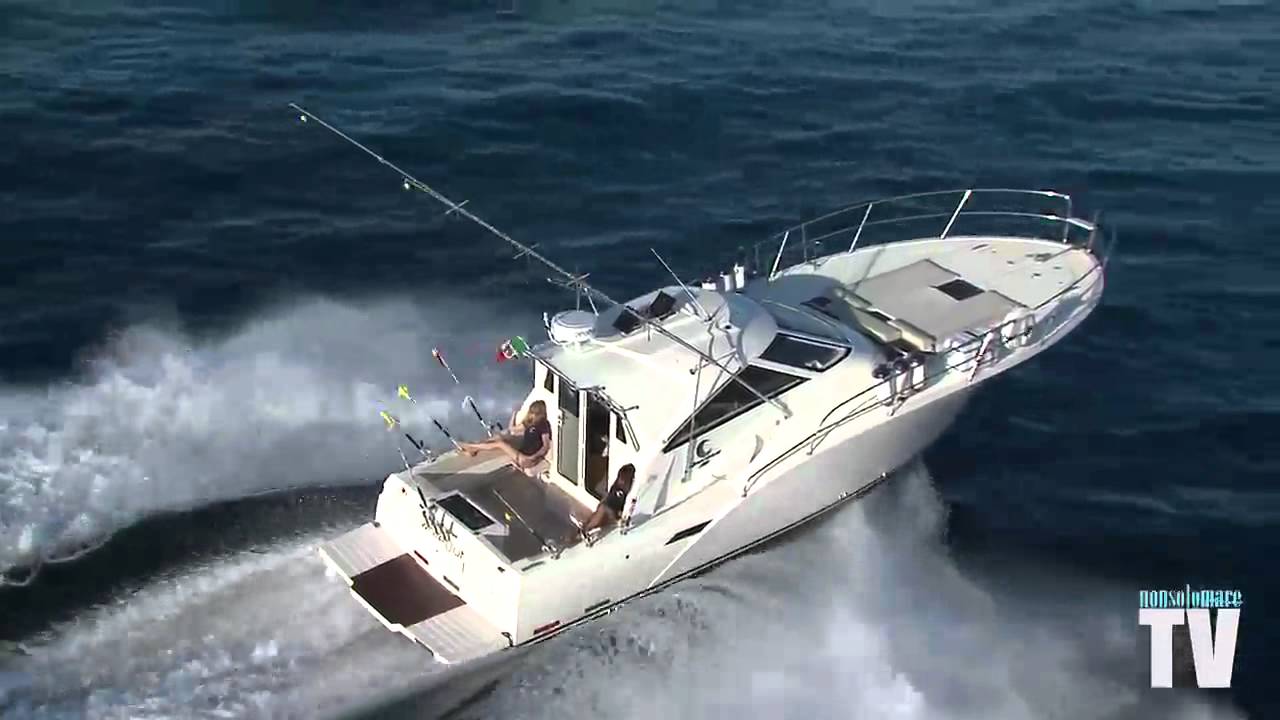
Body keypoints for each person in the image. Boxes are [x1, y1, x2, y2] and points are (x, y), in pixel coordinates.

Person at [460, 400, 551, 470]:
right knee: (499, 438)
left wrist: (534, 457)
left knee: (500, 444)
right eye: (531, 412)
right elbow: (511, 429)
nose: (532, 415)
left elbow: (545, 446)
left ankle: (471, 446)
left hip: (526, 460)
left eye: (534, 413)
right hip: (521, 454)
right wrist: (514, 413)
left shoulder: (544, 424)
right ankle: (474, 448)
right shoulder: (529, 423)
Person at [577, 463, 635, 545]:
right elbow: (608, 506)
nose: (622, 481)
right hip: (608, 511)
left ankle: (583, 531)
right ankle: (584, 531)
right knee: (598, 516)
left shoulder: (624, 490)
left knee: (599, 515)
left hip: (610, 511)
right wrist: (617, 518)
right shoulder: (618, 490)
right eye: (622, 479)